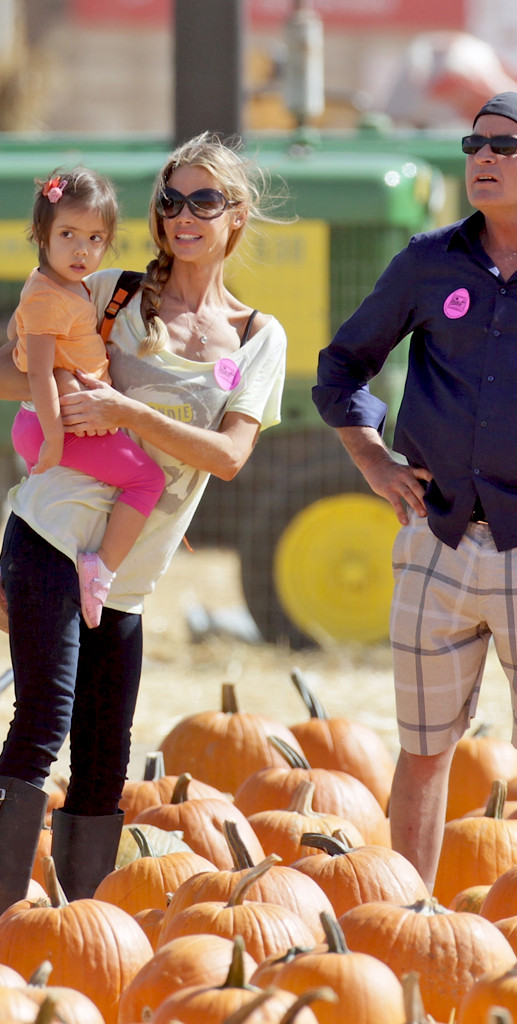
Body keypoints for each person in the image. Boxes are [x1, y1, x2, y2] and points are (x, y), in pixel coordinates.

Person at [312, 91, 517, 892]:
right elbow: (341, 366)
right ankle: (406, 917)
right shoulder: (428, 261)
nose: (482, 158)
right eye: (474, 144)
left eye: (504, 146)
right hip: (438, 538)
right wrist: (371, 458)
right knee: (423, 750)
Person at [0, 132, 286, 910]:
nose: (183, 214)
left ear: (236, 215)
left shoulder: (258, 337)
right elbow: (13, 366)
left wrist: (125, 411)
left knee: (105, 753)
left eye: (203, 200)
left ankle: (83, 924)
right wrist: (56, 383)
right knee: (42, 723)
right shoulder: (110, 293)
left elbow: (230, 457)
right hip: (50, 537)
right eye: (170, 199)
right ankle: (6, 919)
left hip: (126, 576)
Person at [9, 167, 165, 629]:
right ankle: (100, 571)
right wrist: (55, 439)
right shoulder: (47, 297)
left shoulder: (60, 285)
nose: (82, 250)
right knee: (147, 481)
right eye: (68, 235)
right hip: (56, 425)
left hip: (55, 421)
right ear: (42, 234)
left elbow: (34, 344)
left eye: (95, 238)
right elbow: (38, 371)